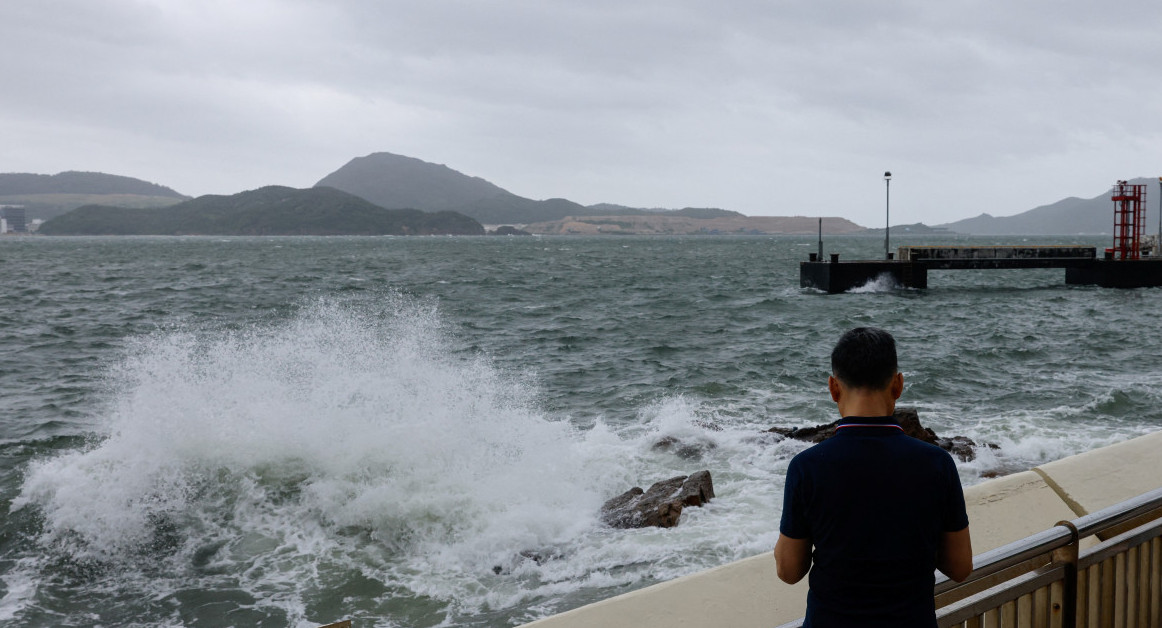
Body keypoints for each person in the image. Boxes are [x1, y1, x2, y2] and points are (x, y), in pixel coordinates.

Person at [773, 327, 972, 627]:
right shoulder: (937, 464)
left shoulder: (807, 467)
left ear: (833, 388)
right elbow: (960, 567)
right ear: (898, 384)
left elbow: (788, 571)